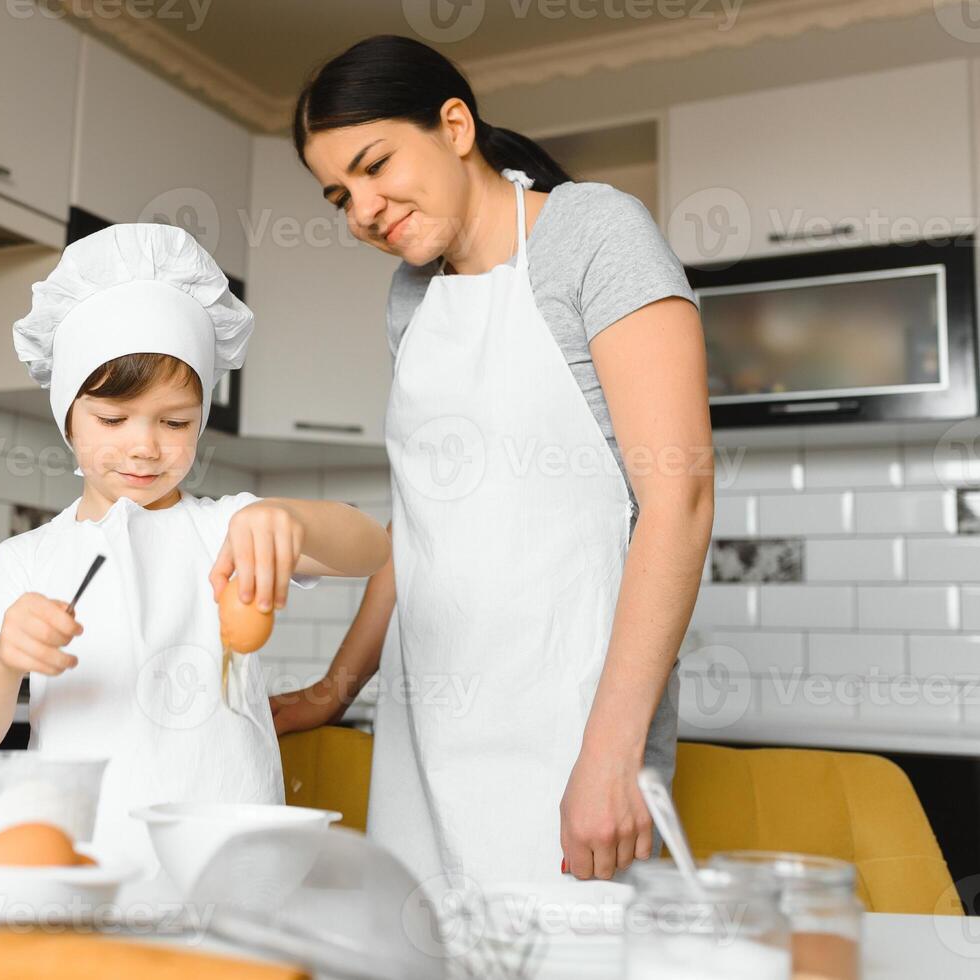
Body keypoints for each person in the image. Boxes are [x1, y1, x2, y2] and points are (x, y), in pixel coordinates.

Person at [272, 35, 714, 886]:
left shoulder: (593, 232)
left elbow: (680, 499)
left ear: (454, 124)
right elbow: (425, 523)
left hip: (578, 723)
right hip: (427, 724)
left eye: (375, 165)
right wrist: (336, 689)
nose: (363, 209)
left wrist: (612, 757)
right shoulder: (413, 295)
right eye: (339, 195)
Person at [0, 223, 391, 868]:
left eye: (175, 422)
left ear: (202, 421)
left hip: (232, 855)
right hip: (86, 855)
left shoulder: (230, 527)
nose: (144, 446)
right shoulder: (27, 558)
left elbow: (371, 547)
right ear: (66, 414)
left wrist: (289, 517)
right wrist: (4, 661)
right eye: (112, 419)